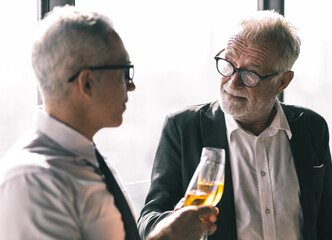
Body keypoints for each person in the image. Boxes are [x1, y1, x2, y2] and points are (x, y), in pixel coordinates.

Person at [0, 5, 217, 240]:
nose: (131, 86)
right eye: (125, 73)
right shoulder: (33, 181)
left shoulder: (88, 161)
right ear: (88, 83)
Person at [138, 10, 332, 240]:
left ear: (282, 82)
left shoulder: (312, 127)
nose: (232, 82)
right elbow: (148, 222)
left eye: (250, 74)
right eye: (228, 63)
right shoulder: (183, 127)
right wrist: (176, 223)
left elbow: (329, 225)